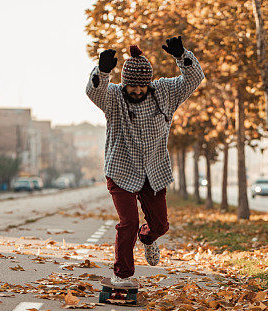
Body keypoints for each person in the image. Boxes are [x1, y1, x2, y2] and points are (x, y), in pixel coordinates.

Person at [85, 36, 205, 287]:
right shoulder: (114, 97)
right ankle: (122, 275)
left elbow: (194, 79)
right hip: (121, 169)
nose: (137, 91)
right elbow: (94, 91)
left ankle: (148, 238)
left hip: (154, 170)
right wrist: (103, 71)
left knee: (160, 225)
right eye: (132, 87)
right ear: (124, 84)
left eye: (142, 86)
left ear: (148, 83)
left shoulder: (165, 93)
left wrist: (182, 56)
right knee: (128, 223)